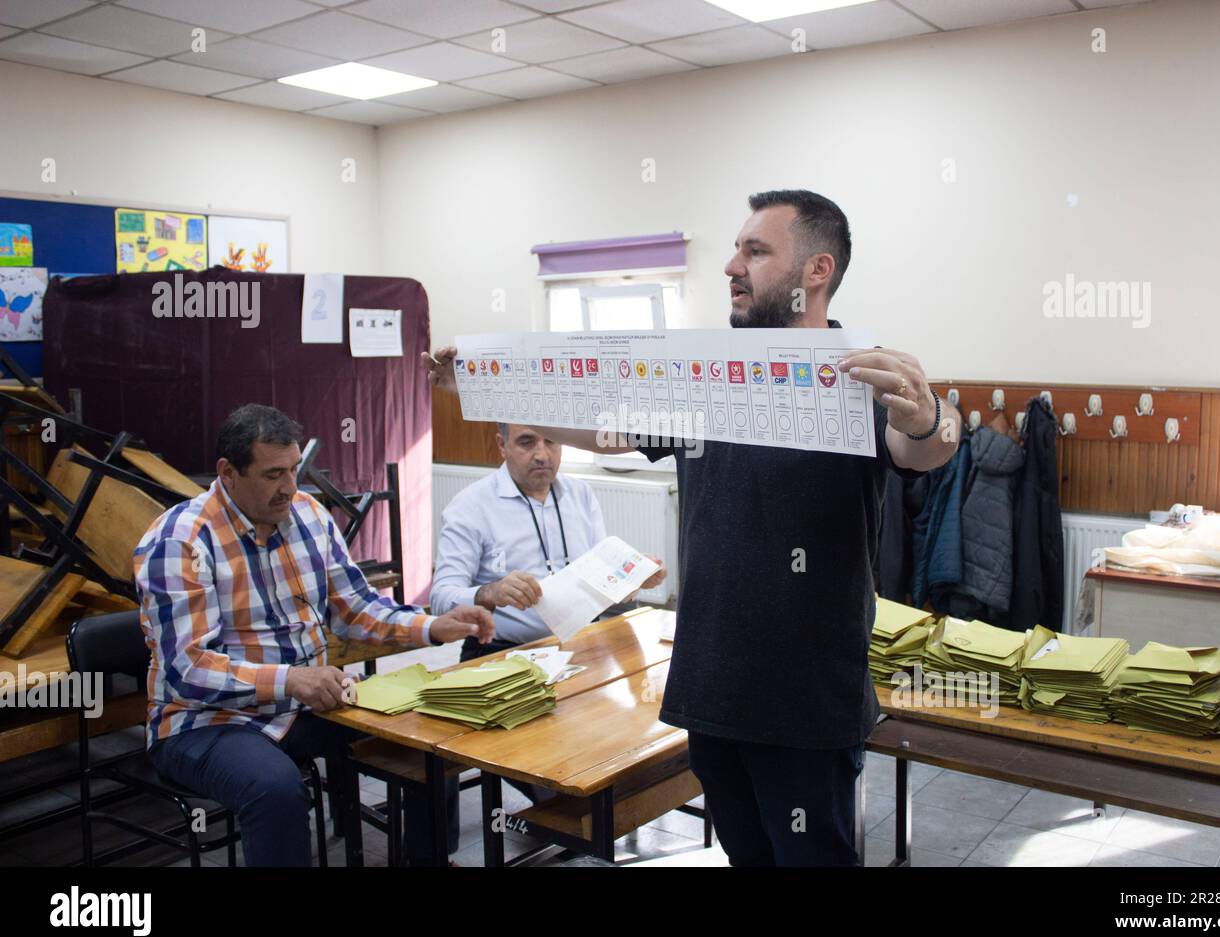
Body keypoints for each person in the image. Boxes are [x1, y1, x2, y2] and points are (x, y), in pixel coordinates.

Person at [424, 189, 958, 866]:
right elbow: (607, 429)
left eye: (755, 250)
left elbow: (927, 449)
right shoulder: (709, 379)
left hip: (804, 703)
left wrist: (927, 414)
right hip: (711, 689)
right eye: (736, 248)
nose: (732, 264)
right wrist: (480, 390)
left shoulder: (855, 377)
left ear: (816, 271)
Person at [136, 404, 494, 866]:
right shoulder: (180, 542)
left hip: (302, 708)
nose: (289, 487)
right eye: (272, 475)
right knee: (275, 789)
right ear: (227, 472)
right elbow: (188, 669)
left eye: (293, 470)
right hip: (203, 722)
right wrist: (291, 680)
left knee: (428, 741)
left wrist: (432, 625)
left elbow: (354, 608)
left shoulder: (307, 515)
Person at [431, 422, 666, 661]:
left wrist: (634, 575)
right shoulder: (470, 506)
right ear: (502, 446)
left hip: (584, 644)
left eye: (551, 441)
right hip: (504, 653)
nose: (542, 455)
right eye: (526, 442)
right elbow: (440, 598)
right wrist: (490, 592)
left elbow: (601, 579)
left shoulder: (580, 494)